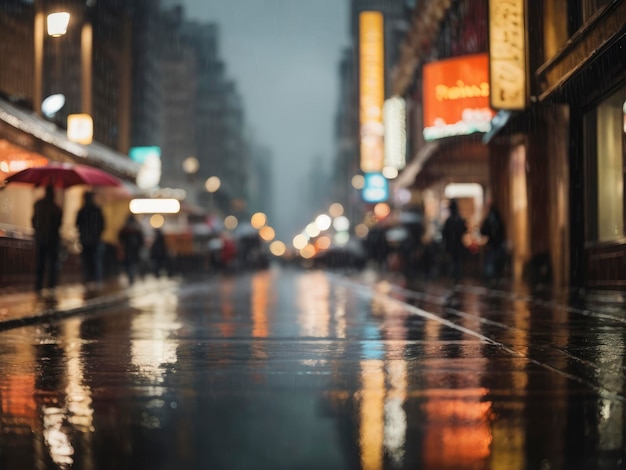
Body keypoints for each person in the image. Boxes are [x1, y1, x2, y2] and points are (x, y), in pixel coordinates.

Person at [31, 185, 63, 295]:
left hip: (41, 238)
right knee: (52, 264)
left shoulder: (39, 205)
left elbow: (34, 220)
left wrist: (38, 231)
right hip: (52, 240)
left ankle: (39, 286)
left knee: (41, 263)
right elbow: (58, 224)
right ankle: (50, 286)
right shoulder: (56, 208)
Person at [75, 191, 105, 287]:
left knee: (87, 260)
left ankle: (89, 279)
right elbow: (102, 225)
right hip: (94, 240)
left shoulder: (82, 211)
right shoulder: (96, 210)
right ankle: (95, 280)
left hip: (86, 239)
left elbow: (77, 224)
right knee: (94, 260)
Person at [441, 199, 467, 284]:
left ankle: (454, 277)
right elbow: (463, 230)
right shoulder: (459, 219)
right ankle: (457, 277)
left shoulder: (449, 220)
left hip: (452, 245)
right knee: (457, 262)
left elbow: (445, 233)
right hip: (458, 244)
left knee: (453, 261)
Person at [480, 202, 506, 285]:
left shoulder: (489, 219)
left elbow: (483, 231)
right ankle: (496, 278)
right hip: (498, 245)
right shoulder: (498, 218)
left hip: (492, 245)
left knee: (491, 263)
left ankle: (491, 279)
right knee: (497, 263)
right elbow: (502, 232)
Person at [118, 214, 145, 285]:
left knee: (129, 264)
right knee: (133, 264)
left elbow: (120, 238)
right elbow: (141, 241)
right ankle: (132, 276)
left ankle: (131, 277)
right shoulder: (137, 229)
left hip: (128, 250)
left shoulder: (125, 229)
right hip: (134, 250)